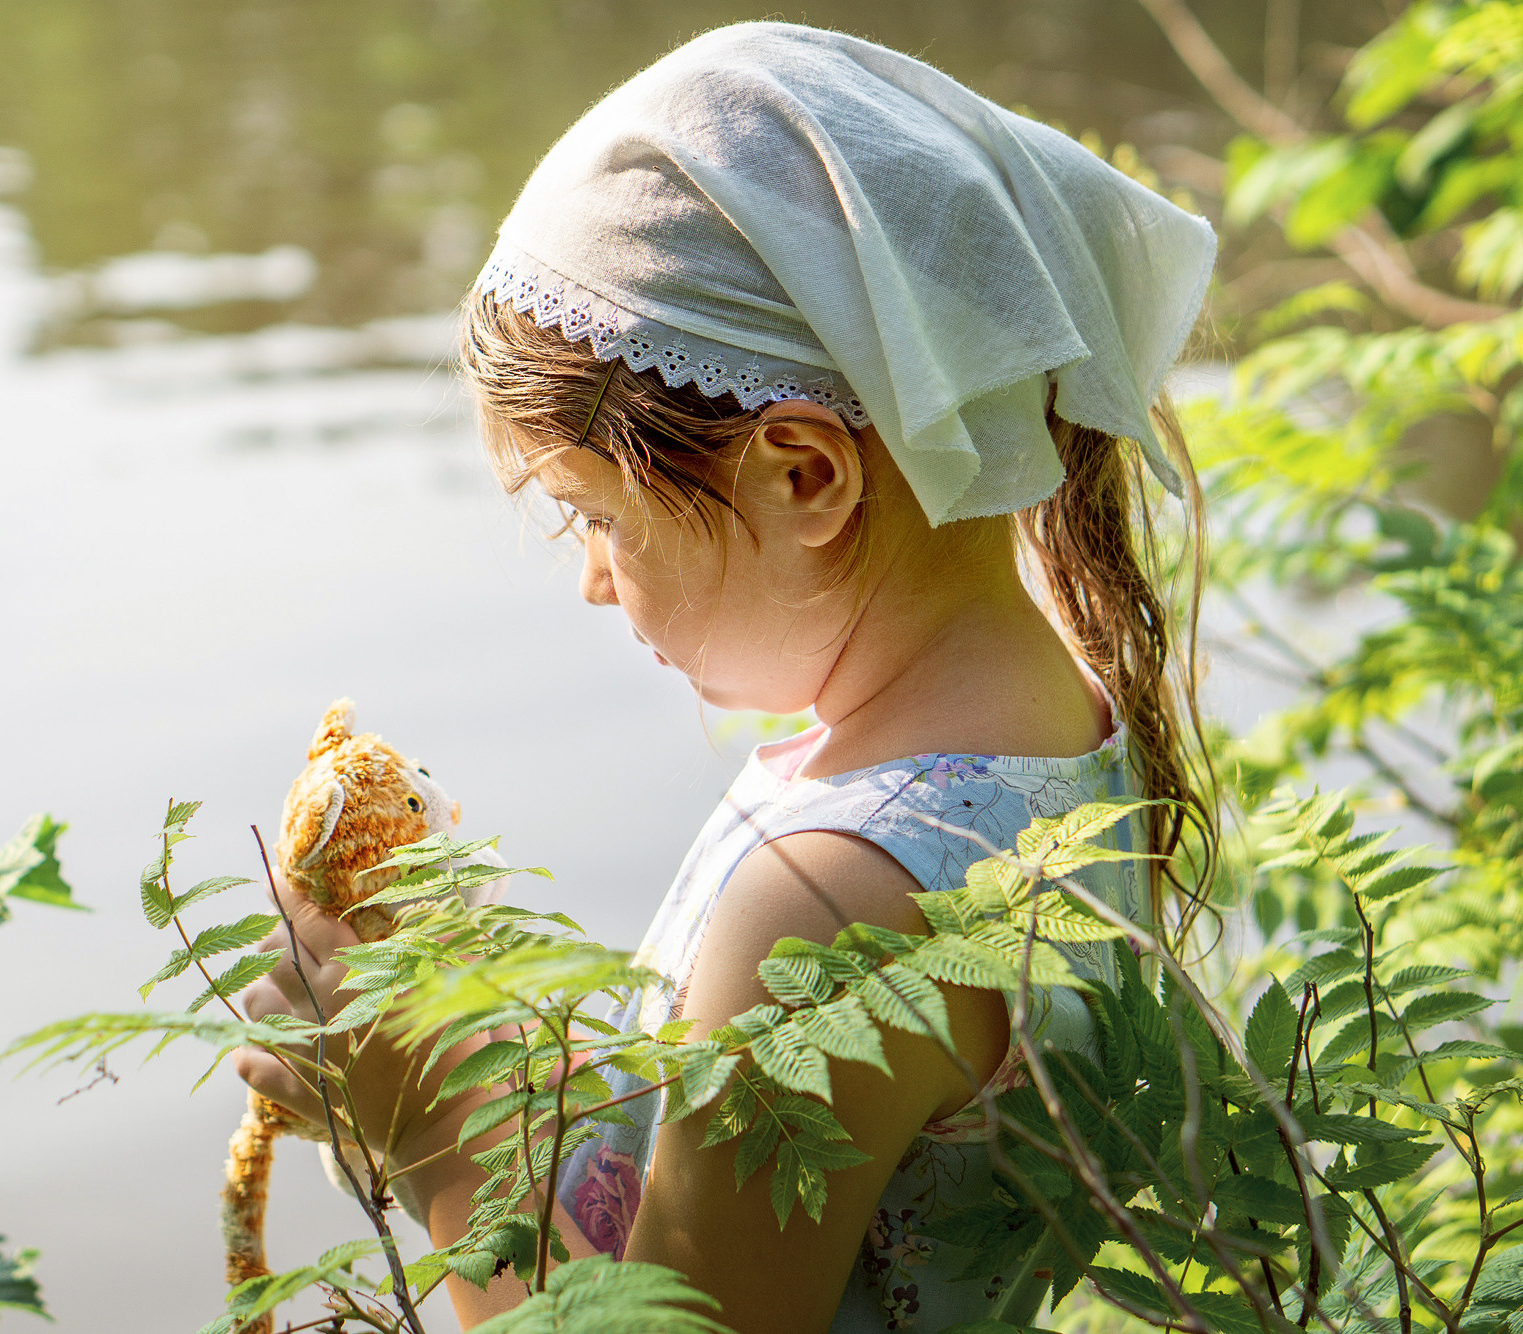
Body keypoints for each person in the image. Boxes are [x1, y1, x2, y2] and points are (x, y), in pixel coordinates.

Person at [234, 21, 1216, 1333]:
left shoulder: (824, 899)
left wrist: (442, 1142)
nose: (590, 576)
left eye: (598, 516)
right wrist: (511, 1047)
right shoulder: (1058, 718)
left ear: (805, 474)